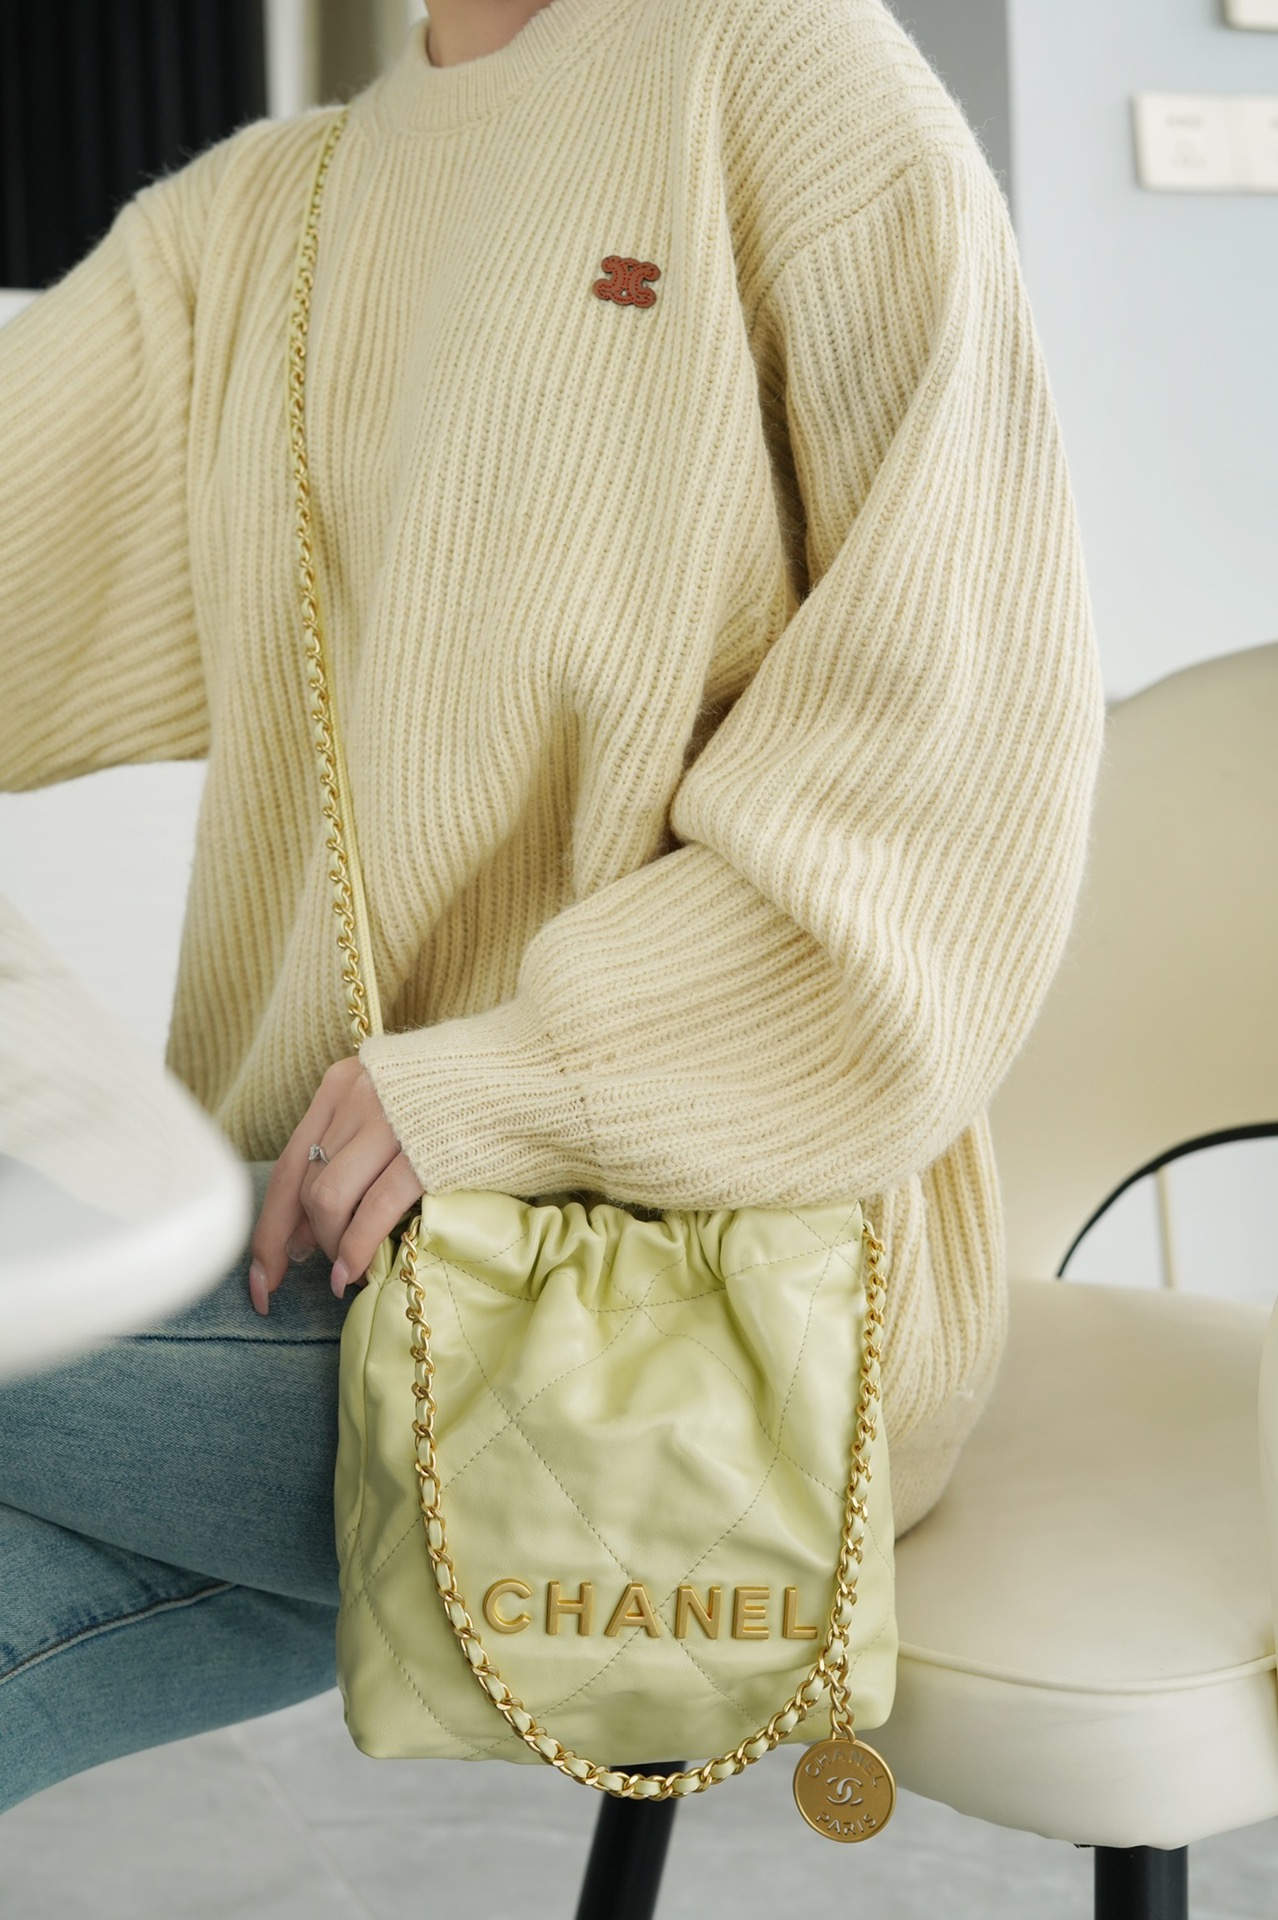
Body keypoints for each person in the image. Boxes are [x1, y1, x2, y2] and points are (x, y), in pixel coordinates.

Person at [0, 0, 1104, 1813]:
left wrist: (530, 1078)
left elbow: (956, 739)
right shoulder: (267, 212)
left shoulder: (776, 71)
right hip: (325, 1256)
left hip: (709, 1288)